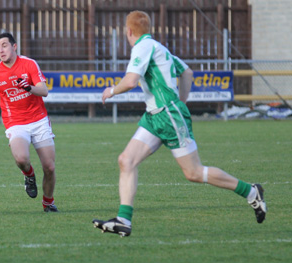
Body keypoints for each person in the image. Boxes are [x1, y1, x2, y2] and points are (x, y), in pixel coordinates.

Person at [92, 11, 267, 237]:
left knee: (193, 173)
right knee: (126, 160)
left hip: (167, 115)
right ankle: (124, 220)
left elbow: (131, 81)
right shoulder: (158, 47)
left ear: (128, 31)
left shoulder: (142, 47)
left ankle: (251, 192)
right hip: (156, 117)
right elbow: (187, 72)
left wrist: (111, 90)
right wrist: (180, 104)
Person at [0, 32, 58, 212]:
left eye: (4, 45)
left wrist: (28, 87)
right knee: (22, 158)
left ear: (14, 47)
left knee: (49, 167)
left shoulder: (29, 64)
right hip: (15, 122)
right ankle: (29, 175)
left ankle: (48, 203)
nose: (1, 50)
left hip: (38, 120)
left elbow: (44, 91)